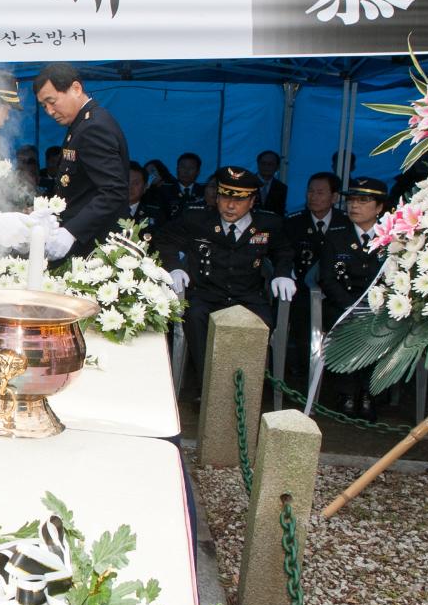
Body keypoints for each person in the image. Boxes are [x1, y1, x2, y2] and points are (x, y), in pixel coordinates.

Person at [156, 166, 295, 383]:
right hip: (206, 295)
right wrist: (174, 267)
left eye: (239, 200)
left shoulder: (268, 224)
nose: (230, 206)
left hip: (247, 297)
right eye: (225, 197)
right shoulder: (197, 219)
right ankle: (209, 385)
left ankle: (247, 387)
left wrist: (283, 273)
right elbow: (164, 240)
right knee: (194, 317)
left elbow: (284, 250)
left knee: (264, 321)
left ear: (252, 201)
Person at [32, 62, 129, 258]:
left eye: (52, 101)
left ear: (76, 89)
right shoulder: (80, 124)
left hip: (94, 245)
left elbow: (113, 190)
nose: (49, 111)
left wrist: (72, 231)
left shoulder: (93, 127)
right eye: (44, 106)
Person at [319, 177, 387, 421]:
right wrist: (350, 306)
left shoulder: (392, 238)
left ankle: (370, 394)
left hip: (380, 307)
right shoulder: (336, 236)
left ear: (379, 207)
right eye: (351, 200)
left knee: (383, 328)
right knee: (347, 325)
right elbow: (327, 278)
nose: (354, 206)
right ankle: (347, 393)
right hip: (343, 305)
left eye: (363, 200)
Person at [284, 172, 347, 376]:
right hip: (302, 291)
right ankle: (303, 370)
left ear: (334, 197)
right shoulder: (293, 223)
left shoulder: (345, 223)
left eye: (320, 192)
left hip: (336, 291)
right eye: (310, 191)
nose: (313, 197)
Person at [127, 162, 162, 230]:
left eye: (136, 183)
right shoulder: (106, 211)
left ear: (145, 187)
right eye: (126, 182)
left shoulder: (155, 215)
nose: (130, 187)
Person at [254, 150, 288, 215]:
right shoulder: (247, 183)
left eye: (270, 164)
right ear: (258, 164)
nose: (266, 167)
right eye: (263, 163)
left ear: (277, 167)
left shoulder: (282, 188)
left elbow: (280, 212)